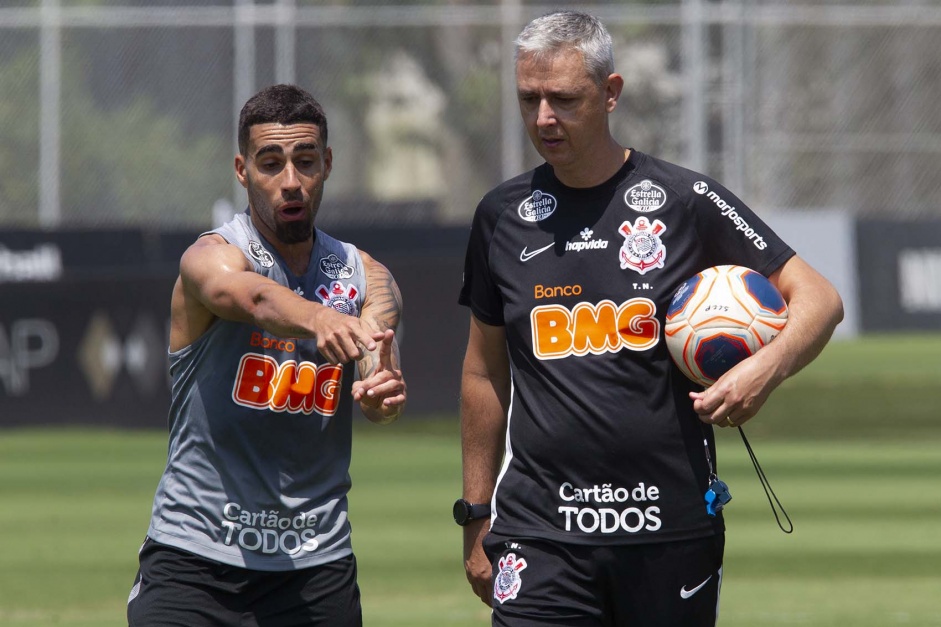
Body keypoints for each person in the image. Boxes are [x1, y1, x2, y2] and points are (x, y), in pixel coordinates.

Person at [455, 11, 842, 627]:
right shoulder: (501, 214)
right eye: (529, 99)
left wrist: (763, 370)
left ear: (610, 94)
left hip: (671, 528)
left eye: (564, 99)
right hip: (541, 531)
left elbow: (819, 299)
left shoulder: (687, 200)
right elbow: (482, 374)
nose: (544, 118)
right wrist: (475, 511)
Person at [127, 84, 406, 627]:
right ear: (241, 169)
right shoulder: (210, 257)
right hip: (194, 560)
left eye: (305, 161)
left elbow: (378, 376)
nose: (290, 181)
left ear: (326, 164)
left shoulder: (366, 276)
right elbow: (250, 297)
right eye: (271, 163)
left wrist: (381, 394)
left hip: (315, 565)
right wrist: (321, 317)